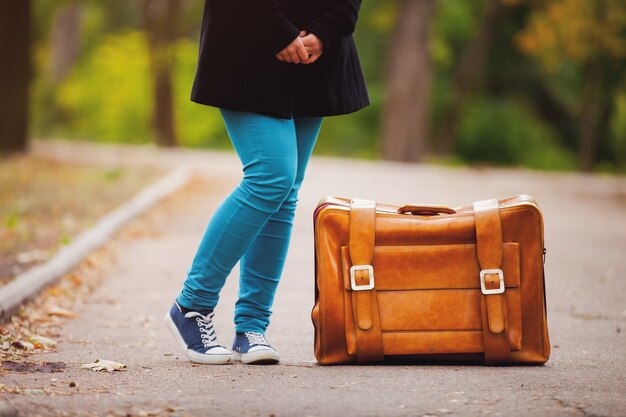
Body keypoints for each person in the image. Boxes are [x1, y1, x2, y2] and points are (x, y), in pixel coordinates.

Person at [165, 0, 369, 365]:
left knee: (285, 191)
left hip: (314, 56)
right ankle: (192, 305)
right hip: (248, 43)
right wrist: (278, 30)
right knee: (271, 178)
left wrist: (325, 30)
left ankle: (252, 326)